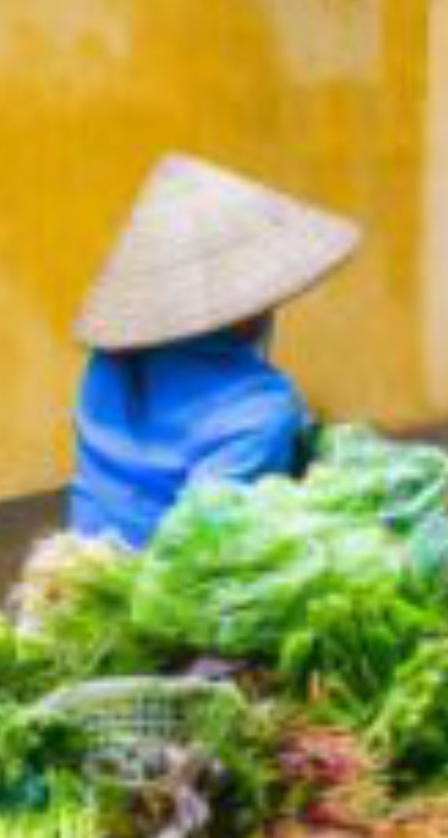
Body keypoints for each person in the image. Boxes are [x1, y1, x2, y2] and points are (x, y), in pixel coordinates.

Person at [67, 153, 361, 548]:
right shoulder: (262, 408)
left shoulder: (108, 363)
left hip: (81, 572)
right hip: (170, 596)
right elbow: (201, 544)